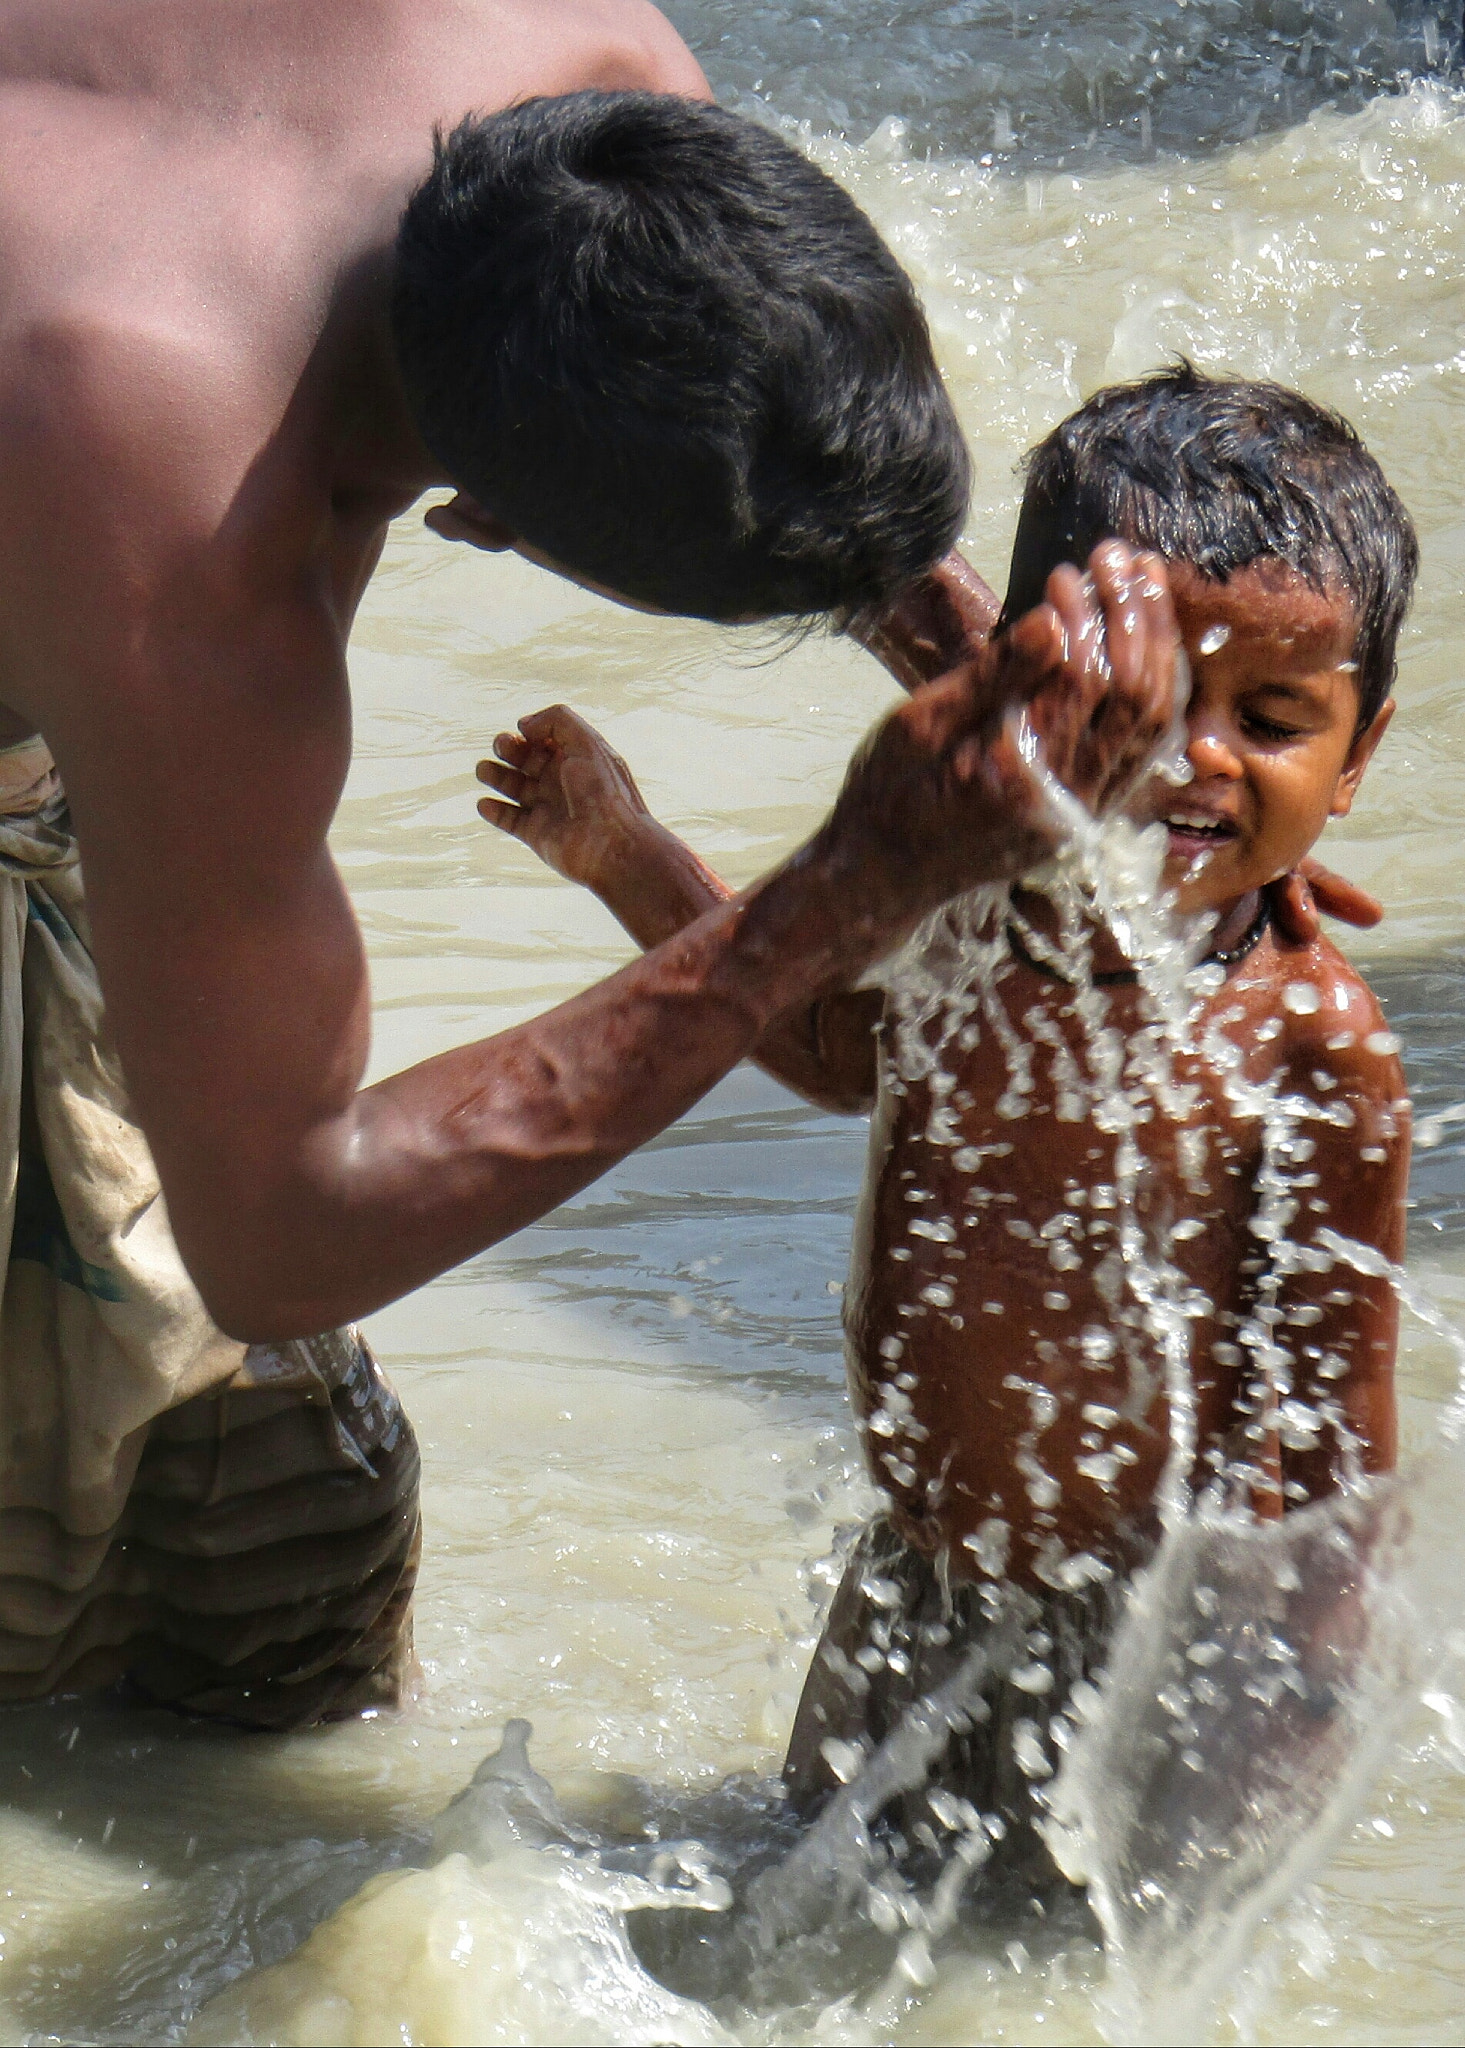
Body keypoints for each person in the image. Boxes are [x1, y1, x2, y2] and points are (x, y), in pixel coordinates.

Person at [0, 1, 1196, 1724]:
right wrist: (850, 884)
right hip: (65, 591)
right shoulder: (182, 551)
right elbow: (276, 1234)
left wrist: (980, 664)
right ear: (499, 520)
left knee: (263, 1563)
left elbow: (759, 385)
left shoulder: (582, 67)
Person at [478, 364, 1416, 1882]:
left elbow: (1325, 1447)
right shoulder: (966, 891)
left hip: (1143, 1629)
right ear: (1057, 698)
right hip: (913, 1574)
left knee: (1052, 1969)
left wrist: (1280, 1724)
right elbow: (837, 1049)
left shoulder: (1309, 1042)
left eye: (1272, 719)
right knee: (803, 1887)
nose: (1199, 758)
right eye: (1159, 701)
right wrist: (625, 854)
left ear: (1355, 759)